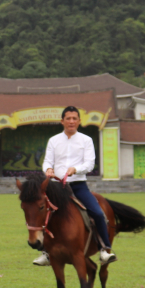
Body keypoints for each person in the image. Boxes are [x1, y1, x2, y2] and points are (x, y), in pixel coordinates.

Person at [33, 106, 116, 267]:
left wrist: (76, 169)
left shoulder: (86, 140)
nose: (71, 121)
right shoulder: (53, 140)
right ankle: (46, 253)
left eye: (74, 118)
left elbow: (90, 164)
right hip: (56, 187)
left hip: (78, 186)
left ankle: (105, 250)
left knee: (98, 213)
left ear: (79, 121)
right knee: (42, 214)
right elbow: (48, 161)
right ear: (62, 121)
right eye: (68, 118)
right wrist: (48, 169)